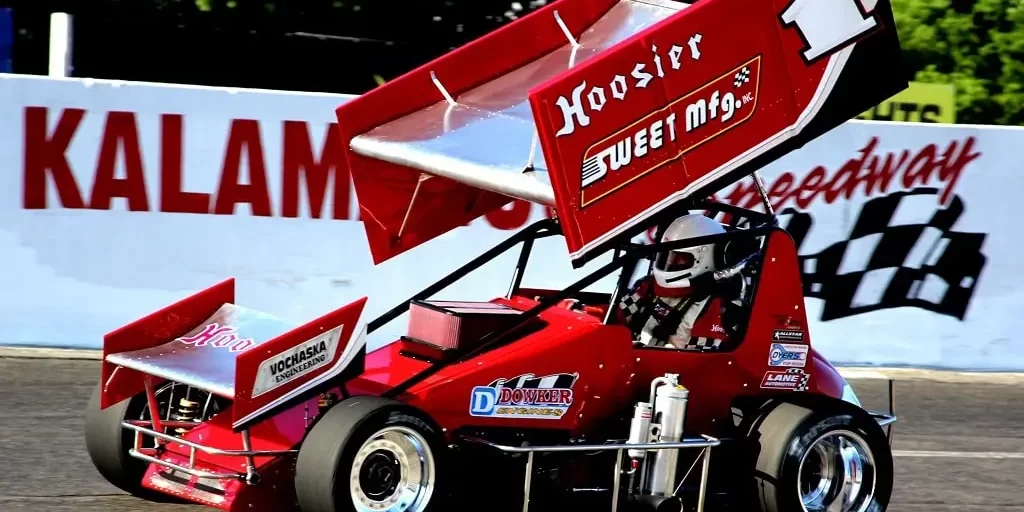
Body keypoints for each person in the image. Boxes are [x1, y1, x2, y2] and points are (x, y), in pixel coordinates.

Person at [617, 213, 731, 350]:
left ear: (705, 260)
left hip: (657, 363)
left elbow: (701, 359)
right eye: (666, 256)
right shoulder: (649, 286)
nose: (670, 262)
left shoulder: (712, 306)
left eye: (679, 258)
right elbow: (614, 315)